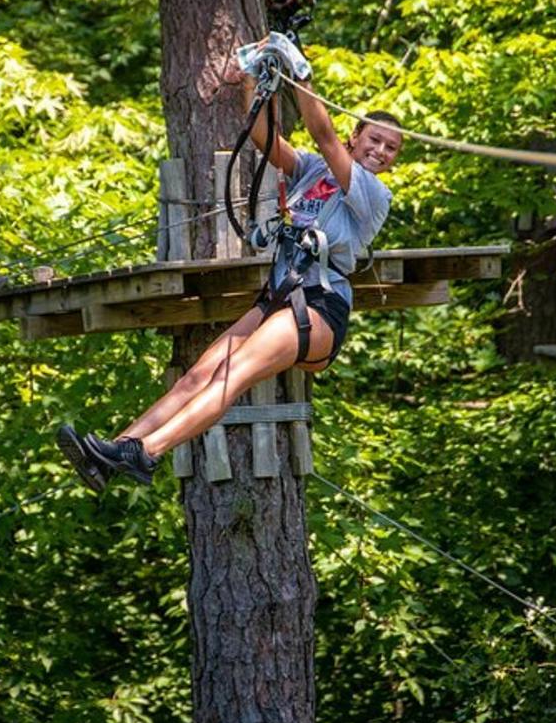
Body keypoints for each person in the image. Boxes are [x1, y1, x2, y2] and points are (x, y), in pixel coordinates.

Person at [57, 39, 403, 491]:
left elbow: (323, 133)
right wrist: (252, 80)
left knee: (230, 374)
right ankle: (112, 452)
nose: (380, 150)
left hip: (319, 307)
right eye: (374, 138)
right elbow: (262, 137)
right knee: (198, 374)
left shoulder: (373, 194)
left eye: (391, 148)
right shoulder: (315, 171)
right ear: (358, 137)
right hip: (279, 296)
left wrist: (301, 73)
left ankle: (147, 453)